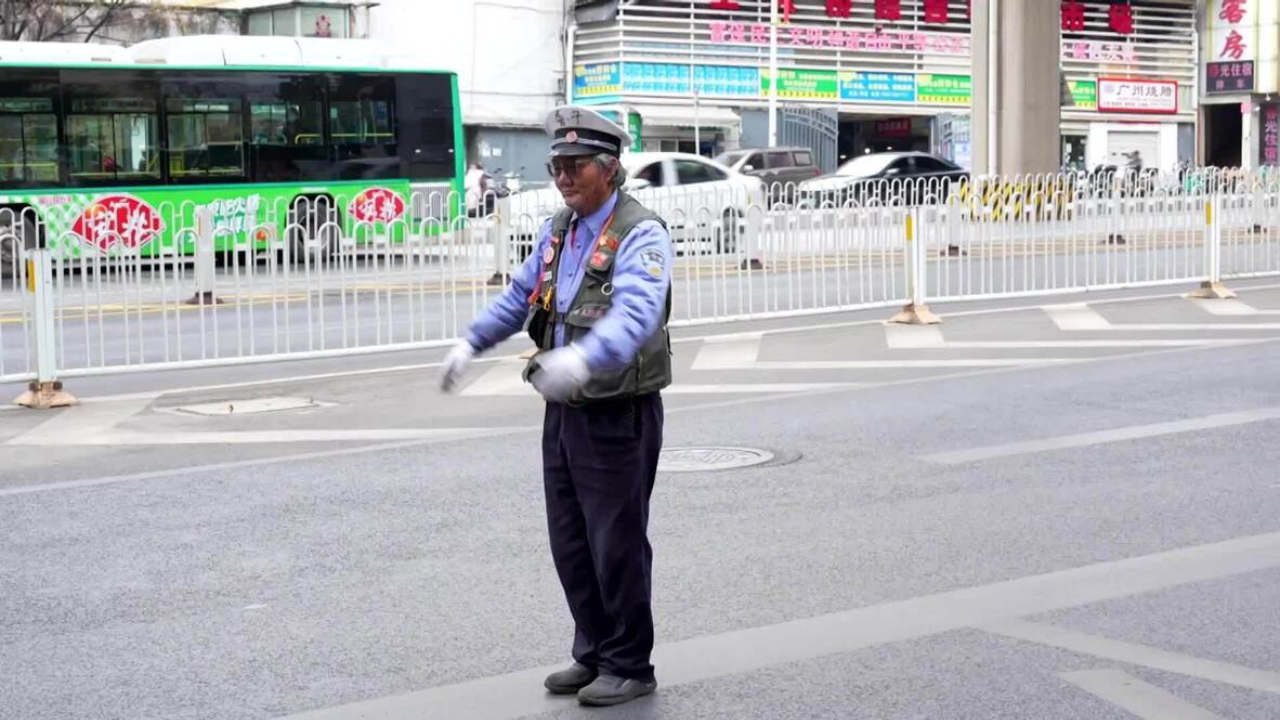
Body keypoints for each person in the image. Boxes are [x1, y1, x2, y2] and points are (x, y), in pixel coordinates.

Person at [438, 105, 673, 708]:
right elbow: (520, 296)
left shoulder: (640, 232)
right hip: (564, 408)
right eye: (556, 166)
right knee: (570, 538)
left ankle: (629, 663)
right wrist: (473, 339)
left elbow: (638, 311)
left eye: (575, 166)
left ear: (609, 168)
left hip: (616, 409)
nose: (563, 177)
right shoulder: (560, 229)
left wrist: (586, 359)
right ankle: (593, 650)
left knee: (615, 540)